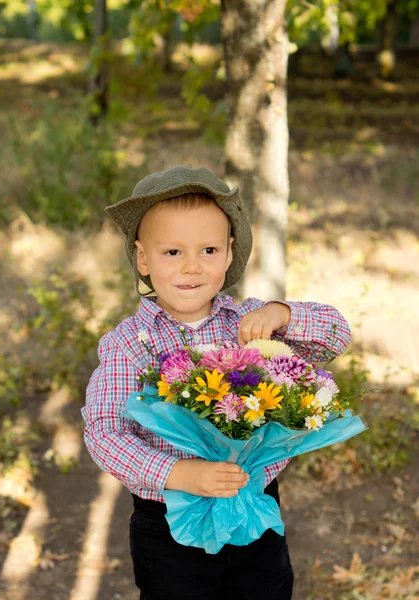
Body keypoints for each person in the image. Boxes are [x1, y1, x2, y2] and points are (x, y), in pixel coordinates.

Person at [82, 165, 352, 599]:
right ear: (143, 258)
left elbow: (336, 334)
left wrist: (282, 313)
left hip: (255, 503)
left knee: (266, 589)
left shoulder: (251, 322)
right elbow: (104, 432)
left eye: (208, 250)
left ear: (229, 254)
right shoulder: (129, 345)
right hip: (169, 517)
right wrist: (177, 472)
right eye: (172, 252)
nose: (192, 267)